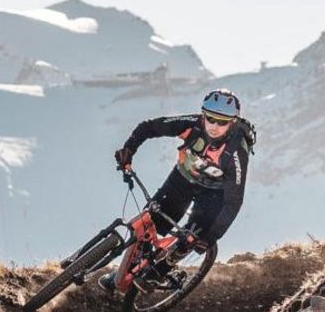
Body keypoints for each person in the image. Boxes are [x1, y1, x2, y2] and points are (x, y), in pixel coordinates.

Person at [104, 88, 255, 289]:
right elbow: (148, 128)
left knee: (192, 236)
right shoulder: (192, 124)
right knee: (151, 224)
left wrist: (211, 238)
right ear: (203, 115)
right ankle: (125, 271)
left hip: (214, 193)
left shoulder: (237, 152)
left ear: (233, 122)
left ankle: (161, 270)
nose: (215, 126)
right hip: (183, 179)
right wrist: (128, 150)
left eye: (223, 121)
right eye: (211, 118)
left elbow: (234, 201)